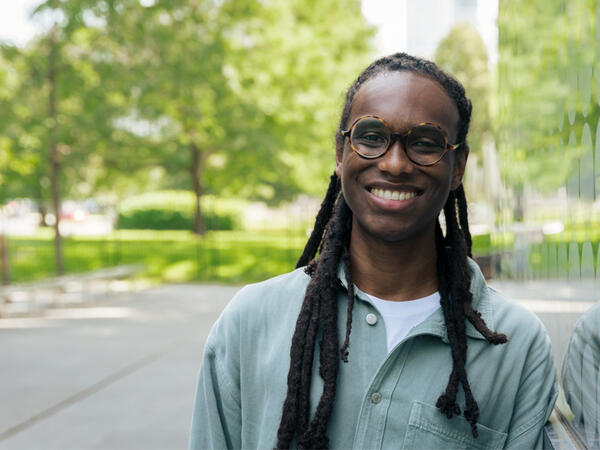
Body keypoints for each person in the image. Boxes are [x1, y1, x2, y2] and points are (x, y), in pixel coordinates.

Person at [189, 53, 558, 449]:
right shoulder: (250, 322)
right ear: (339, 152)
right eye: (371, 136)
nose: (395, 163)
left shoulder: (516, 345)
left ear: (458, 166)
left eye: (425, 142)